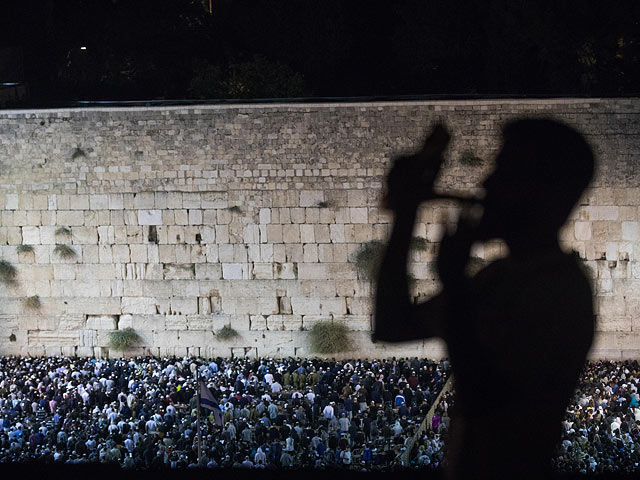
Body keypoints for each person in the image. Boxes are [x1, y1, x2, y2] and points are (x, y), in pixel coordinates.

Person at [374, 120, 596, 479]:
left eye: (505, 172)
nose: (485, 183)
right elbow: (391, 324)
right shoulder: (500, 277)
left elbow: (489, 399)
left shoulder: (560, 289)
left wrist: (455, 284)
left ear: (545, 194)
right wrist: (405, 215)